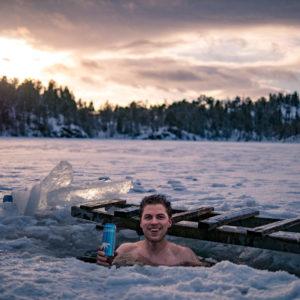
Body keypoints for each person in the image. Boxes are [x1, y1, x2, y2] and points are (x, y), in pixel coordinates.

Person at [97, 194, 207, 267]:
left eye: (160, 217)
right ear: (141, 223)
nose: (154, 222)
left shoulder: (184, 255)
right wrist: (105, 264)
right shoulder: (126, 251)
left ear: (169, 222)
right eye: (148, 217)